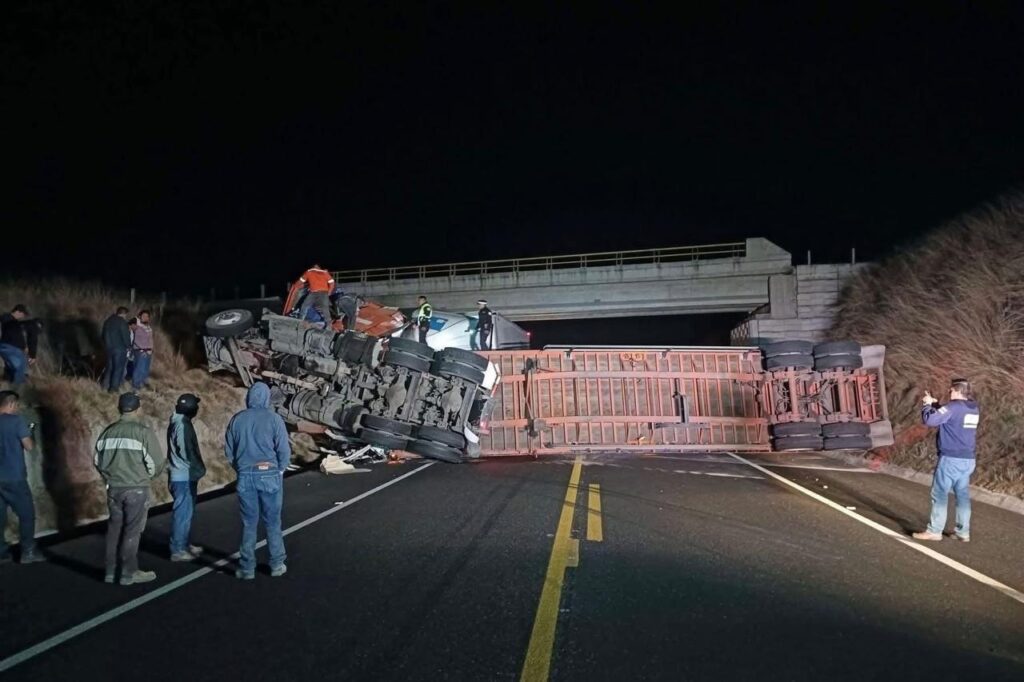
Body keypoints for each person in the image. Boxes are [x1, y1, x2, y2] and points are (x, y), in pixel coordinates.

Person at [94, 392, 165, 584]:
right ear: (138, 408)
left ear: (119, 408)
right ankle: (128, 572)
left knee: (114, 529)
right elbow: (156, 463)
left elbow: (97, 461)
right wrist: (146, 477)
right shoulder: (142, 431)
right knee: (132, 530)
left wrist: (109, 477)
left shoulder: (108, 432)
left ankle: (110, 571)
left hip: (113, 488)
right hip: (136, 488)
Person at [224, 382, 291, 580]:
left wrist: (242, 469)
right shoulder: (274, 419)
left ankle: (246, 568)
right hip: (269, 475)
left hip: (245, 476)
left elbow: (229, 452)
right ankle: (277, 564)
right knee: (272, 522)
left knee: (249, 523)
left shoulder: (237, 419)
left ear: (249, 398)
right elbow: (283, 450)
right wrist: (279, 470)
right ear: (266, 398)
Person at [912, 378, 980, 542]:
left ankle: (934, 531)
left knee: (940, 494)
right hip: (968, 459)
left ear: (956, 390)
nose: (949, 393)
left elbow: (930, 420)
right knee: (962, 495)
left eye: (950, 390)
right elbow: (950, 417)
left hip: (951, 459)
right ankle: (963, 533)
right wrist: (936, 405)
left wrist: (927, 405)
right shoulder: (973, 408)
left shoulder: (954, 407)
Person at [0, 391, 45, 564]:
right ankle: (28, 551)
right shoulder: (16, 421)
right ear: (11, 404)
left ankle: (1, 553)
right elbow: (28, 446)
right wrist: (31, 434)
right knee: (27, 514)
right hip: (14, 477)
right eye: (17, 405)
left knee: (0, 516)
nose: (17, 409)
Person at [167, 393, 205, 562]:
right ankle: (177, 550)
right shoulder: (182, 425)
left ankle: (184, 543)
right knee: (182, 514)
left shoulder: (179, 422)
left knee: (186, 513)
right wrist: (198, 467)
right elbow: (186, 451)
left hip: (182, 475)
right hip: (183, 476)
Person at [0, 305, 40, 386]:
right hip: (10, 346)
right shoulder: (8, 319)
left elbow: (15, 335)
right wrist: (32, 355)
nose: (23, 317)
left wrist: (23, 346)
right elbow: (32, 339)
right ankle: (18, 387)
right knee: (21, 365)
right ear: (17, 311)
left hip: (4, 346)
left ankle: (7, 383)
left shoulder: (9, 320)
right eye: (23, 314)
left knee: (11, 367)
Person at [101, 307, 132, 393]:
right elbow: (125, 336)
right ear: (123, 314)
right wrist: (129, 346)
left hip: (108, 349)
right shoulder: (122, 322)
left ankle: (105, 385)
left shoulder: (107, 321)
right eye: (126, 315)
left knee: (109, 367)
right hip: (119, 349)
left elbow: (102, 335)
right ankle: (113, 388)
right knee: (118, 368)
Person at [131, 310, 154, 390]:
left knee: (145, 369)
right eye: (143, 316)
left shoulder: (148, 327)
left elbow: (150, 339)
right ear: (140, 316)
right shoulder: (137, 326)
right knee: (139, 369)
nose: (145, 318)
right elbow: (136, 340)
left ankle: (144, 383)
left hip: (148, 351)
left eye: (147, 316)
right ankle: (136, 386)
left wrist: (151, 349)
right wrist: (143, 349)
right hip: (140, 351)